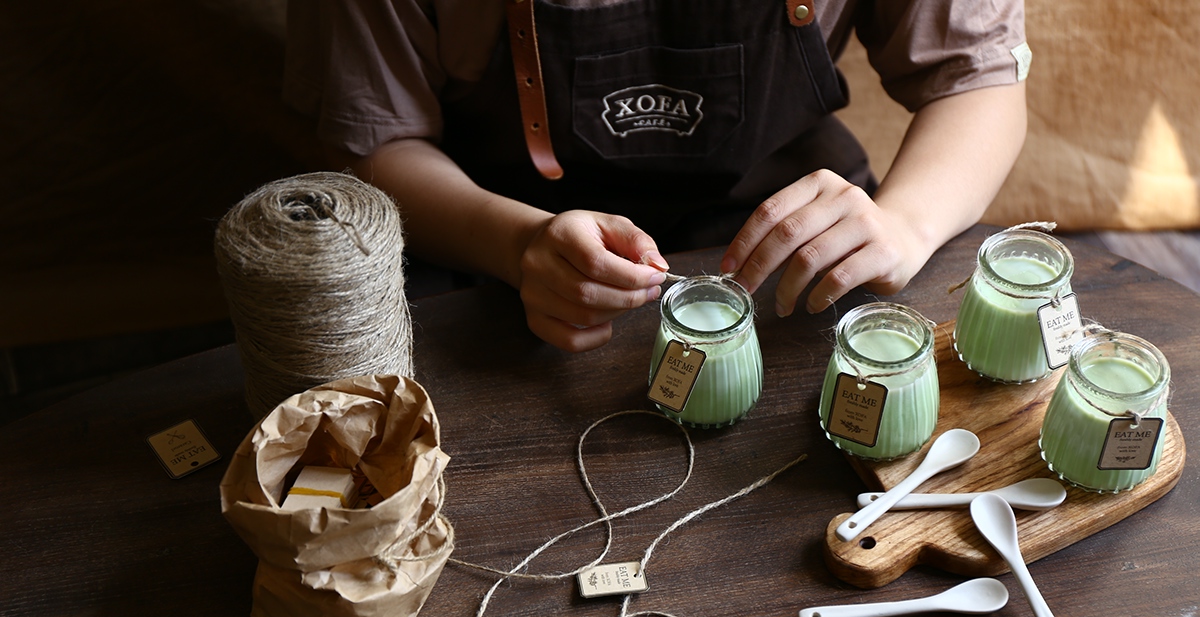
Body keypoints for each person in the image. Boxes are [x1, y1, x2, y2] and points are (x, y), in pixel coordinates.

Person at [284, 1, 1029, 352]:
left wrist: (908, 219)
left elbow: (978, 76)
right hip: (484, 250)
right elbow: (374, 145)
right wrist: (518, 244)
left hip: (787, 245)